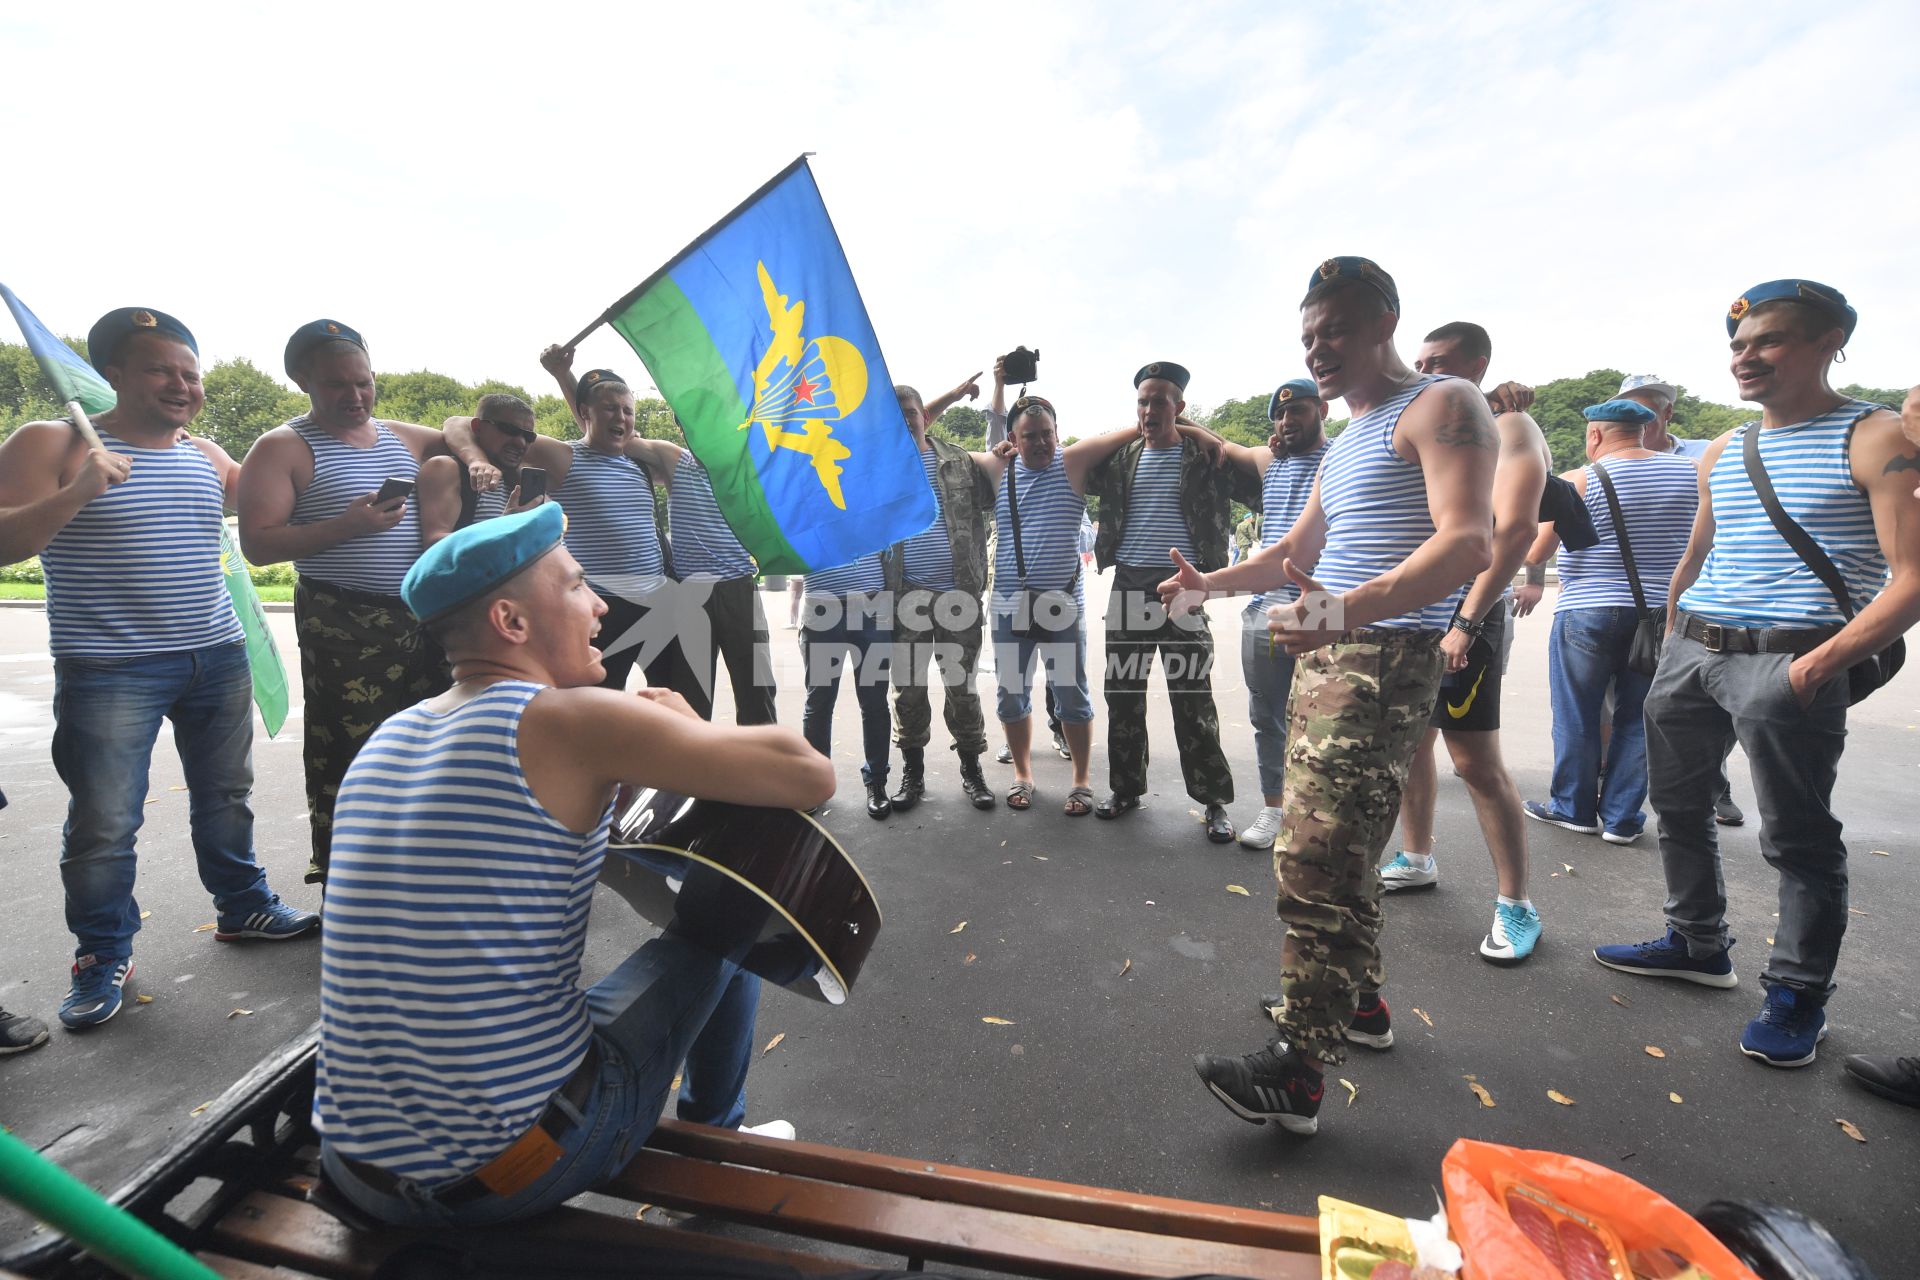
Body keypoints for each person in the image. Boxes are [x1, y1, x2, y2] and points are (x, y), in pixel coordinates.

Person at [314, 503, 831, 1227]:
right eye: (578, 584)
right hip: (507, 1171)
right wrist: (691, 727)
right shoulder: (566, 718)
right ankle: (717, 1140)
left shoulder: (394, 735)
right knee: (736, 907)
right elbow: (807, 774)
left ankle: (718, 1131)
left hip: (354, 1166)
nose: (602, 604)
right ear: (511, 623)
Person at [1169, 257, 1495, 1133]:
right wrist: (1212, 581)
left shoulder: (1443, 404)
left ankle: (1299, 1073)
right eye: (1310, 336)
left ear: (1386, 320)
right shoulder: (1347, 441)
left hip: (1380, 659)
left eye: (1337, 330)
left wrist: (1340, 611)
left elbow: (1470, 542)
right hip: (1329, 652)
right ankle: (1359, 1005)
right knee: (1340, 854)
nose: (1319, 350)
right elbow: (1289, 555)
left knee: (1314, 862)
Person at [1595, 280, 1920, 1069]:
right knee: (1675, 806)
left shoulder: (1875, 437)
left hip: (1791, 657)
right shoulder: (1725, 446)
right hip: (1691, 652)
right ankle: (1698, 942)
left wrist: (1818, 665)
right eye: (1739, 345)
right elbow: (1698, 553)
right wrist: (1673, 634)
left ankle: (1798, 992)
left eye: (1768, 341)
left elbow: (1911, 577)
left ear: (1828, 342)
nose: (1746, 356)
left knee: (1797, 835)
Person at [1, 308, 318, 1029]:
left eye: (191, 373)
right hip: (109, 669)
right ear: (111, 372)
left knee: (227, 796)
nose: (182, 385)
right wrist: (78, 490)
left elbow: (280, 494)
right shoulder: (52, 441)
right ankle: (101, 953)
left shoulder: (205, 453)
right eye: (161, 369)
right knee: (105, 823)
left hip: (217, 655)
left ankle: (243, 908)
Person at [237, 319, 453, 884]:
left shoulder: (402, 436)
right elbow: (258, 544)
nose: (355, 397)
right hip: (344, 624)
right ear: (301, 379)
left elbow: (462, 431)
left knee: (432, 744)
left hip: (425, 619)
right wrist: (347, 525)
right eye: (337, 385)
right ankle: (349, 883)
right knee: (353, 753)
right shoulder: (282, 447)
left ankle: (426, 872)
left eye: (364, 382)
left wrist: (477, 450)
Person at [1386, 322, 1549, 965]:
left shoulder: (1506, 427)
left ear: (1479, 365)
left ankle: (1516, 905)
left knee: (1476, 763)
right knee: (1412, 747)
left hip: (1465, 620)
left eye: (1442, 362)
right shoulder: (1428, 428)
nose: (1427, 373)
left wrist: (1468, 621)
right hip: (1419, 618)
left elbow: (1512, 532)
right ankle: (1417, 855)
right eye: (1420, 362)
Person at [1086, 361, 1262, 840]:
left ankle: (1213, 801)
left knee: (1193, 697)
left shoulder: (1207, 457)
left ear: (1179, 407)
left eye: (1160, 401)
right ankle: (1125, 789)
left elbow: (1258, 476)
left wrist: (1202, 434)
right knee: (1122, 694)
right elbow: (1073, 457)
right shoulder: (1121, 458)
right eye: (1143, 401)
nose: (1149, 409)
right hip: (1129, 587)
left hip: (1185, 588)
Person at [447, 350, 681, 697]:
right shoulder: (564, 455)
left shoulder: (640, 463)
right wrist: (477, 461)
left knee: (676, 702)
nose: (621, 417)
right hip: (602, 607)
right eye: (610, 408)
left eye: (627, 410)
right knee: (597, 705)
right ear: (584, 413)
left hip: (659, 603)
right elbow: (458, 423)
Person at [1162, 379, 1331, 849]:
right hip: (1264, 609)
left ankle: (1320, 816)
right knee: (1268, 717)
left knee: (1328, 721)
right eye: (1280, 415)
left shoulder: (1342, 455)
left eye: (1297, 410)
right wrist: (1174, 418)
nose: (1287, 421)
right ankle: (1275, 809)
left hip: (1323, 607)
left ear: (1322, 408)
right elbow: (1222, 444)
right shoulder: (1269, 461)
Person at [1522, 399, 1698, 843]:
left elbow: (1538, 552)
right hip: (1663, 614)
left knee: (1577, 712)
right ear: (1643, 430)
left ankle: (1573, 808)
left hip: (1588, 610)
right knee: (1640, 716)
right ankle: (1622, 819)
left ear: (1595, 435)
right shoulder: (1692, 472)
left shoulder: (1581, 479)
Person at [976, 391, 1144, 813]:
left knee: (1072, 695)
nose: (1040, 443)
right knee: (1011, 695)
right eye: (1029, 435)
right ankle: (1022, 774)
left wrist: (1209, 437)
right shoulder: (1001, 467)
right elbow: (943, 455)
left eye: (1046, 433)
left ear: (1058, 432)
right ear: (1013, 437)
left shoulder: (1073, 461)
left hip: (1062, 605)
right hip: (1009, 606)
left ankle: (1082, 781)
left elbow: (1139, 428)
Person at [1616, 373, 1743, 826]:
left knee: (1708, 705)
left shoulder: (1703, 453)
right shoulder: (1614, 454)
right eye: (1626, 406)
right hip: (1634, 594)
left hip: (1696, 594)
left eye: (1645, 408)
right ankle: (1621, 793)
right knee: (1635, 702)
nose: (1636, 416)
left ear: (1667, 412)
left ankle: (1714, 783)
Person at [885, 373, 996, 811]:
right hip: (905, 596)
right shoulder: (881, 469)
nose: (905, 422)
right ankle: (913, 773)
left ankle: (972, 768)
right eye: (895, 417)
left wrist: (1000, 447)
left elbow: (997, 479)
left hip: (959, 595)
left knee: (962, 686)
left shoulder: (959, 461)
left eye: (911, 414)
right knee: (908, 689)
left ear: (924, 417)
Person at [799, 553, 895, 817]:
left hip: (871, 605)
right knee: (819, 700)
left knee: (874, 700)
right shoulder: (808, 508)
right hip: (821, 604)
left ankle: (876, 781)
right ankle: (814, 783)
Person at [418, 393, 542, 546]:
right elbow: (434, 543)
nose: (521, 442)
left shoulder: (516, 480)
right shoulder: (447, 468)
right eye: (509, 430)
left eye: (529, 437)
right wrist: (506, 525)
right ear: (477, 427)